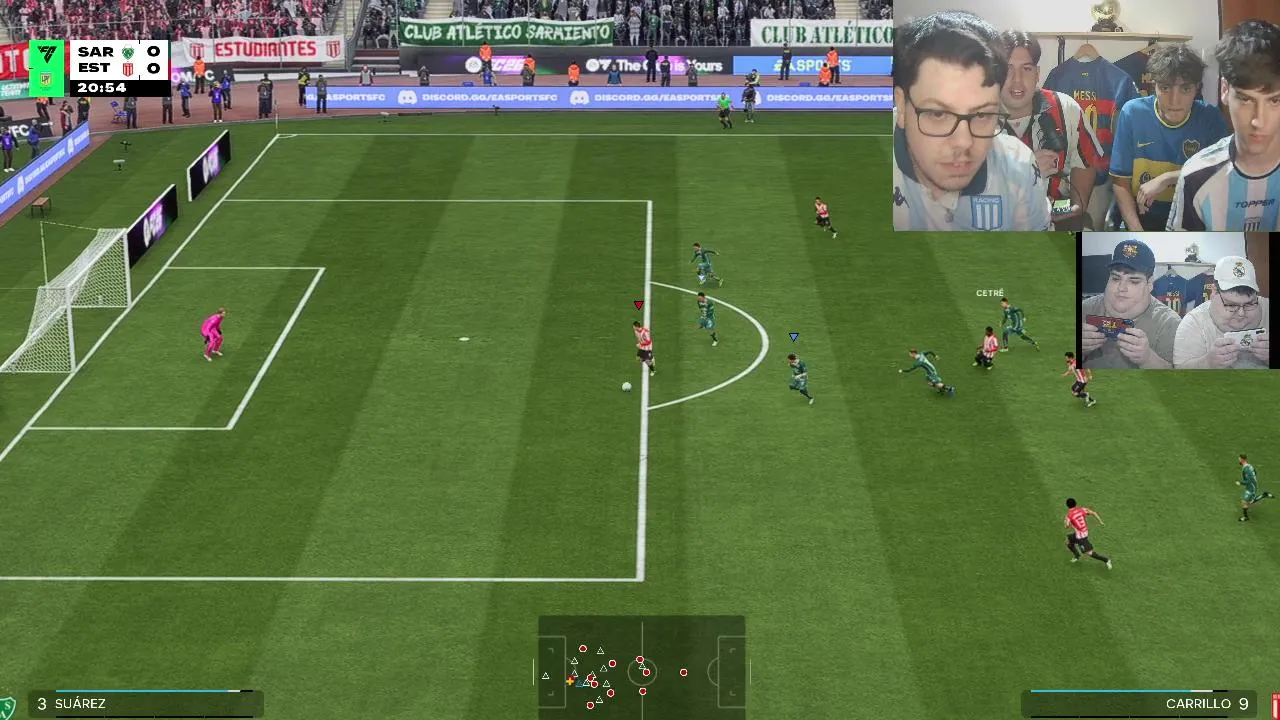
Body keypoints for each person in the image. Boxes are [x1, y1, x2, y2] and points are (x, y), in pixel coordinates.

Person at [892, 11, 1050, 231]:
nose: (964, 142)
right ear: (901, 107)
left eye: (982, 115)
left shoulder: (1019, 166)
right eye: (938, 114)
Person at [1168, 20, 1280, 231]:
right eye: (1246, 99)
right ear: (1225, 91)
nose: (1258, 120)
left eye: (1274, 101)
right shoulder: (1196, 176)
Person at [1108, 43, 1229, 231]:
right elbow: (1120, 181)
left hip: (1191, 218)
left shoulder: (1211, 118)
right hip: (1142, 217)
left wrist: (1168, 178)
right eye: (1165, 88)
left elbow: (1224, 173)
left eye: (1185, 89)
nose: (1174, 100)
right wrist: (1138, 232)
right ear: (1154, 86)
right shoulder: (1132, 113)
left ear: (1197, 88)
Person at [998, 31, 1104, 231]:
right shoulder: (976, 116)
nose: (1017, 80)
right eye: (1008, 69)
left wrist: (1077, 208)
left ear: (1037, 74)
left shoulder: (1066, 108)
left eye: (1026, 69)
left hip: (1055, 220)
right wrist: (1027, 169)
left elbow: (1085, 160)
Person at [1080, 239, 1180, 369]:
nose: (1121, 288)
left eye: (1133, 281)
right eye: (1116, 278)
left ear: (1150, 284)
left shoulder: (1169, 323)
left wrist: (1148, 359)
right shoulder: (1084, 309)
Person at [1173, 255, 1270, 369]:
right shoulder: (1193, 323)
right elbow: (1180, 374)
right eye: (1231, 305)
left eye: (1249, 304)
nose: (1241, 313)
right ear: (1214, 293)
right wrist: (1208, 363)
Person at [1064, 498, 1110, 568]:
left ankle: (1106, 560)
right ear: (1075, 503)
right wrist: (1100, 521)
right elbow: (1094, 513)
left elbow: (1066, 526)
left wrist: (1066, 522)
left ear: (1067, 505)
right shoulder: (1082, 509)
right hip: (1082, 532)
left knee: (1089, 553)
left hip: (1081, 537)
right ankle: (1077, 556)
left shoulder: (1069, 516)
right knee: (1068, 542)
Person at [1236, 454, 1275, 522]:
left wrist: (1240, 483)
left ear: (1242, 460)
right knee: (1247, 502)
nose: (1238, 460)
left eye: (1239, 459)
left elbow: (1249, 480)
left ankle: (1245, 517)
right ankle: (1264, 494)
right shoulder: (1249, 466)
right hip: (1251, 485)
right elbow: (1255, 472)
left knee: (1245, 502)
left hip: (1251, 487)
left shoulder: (1246, 469)